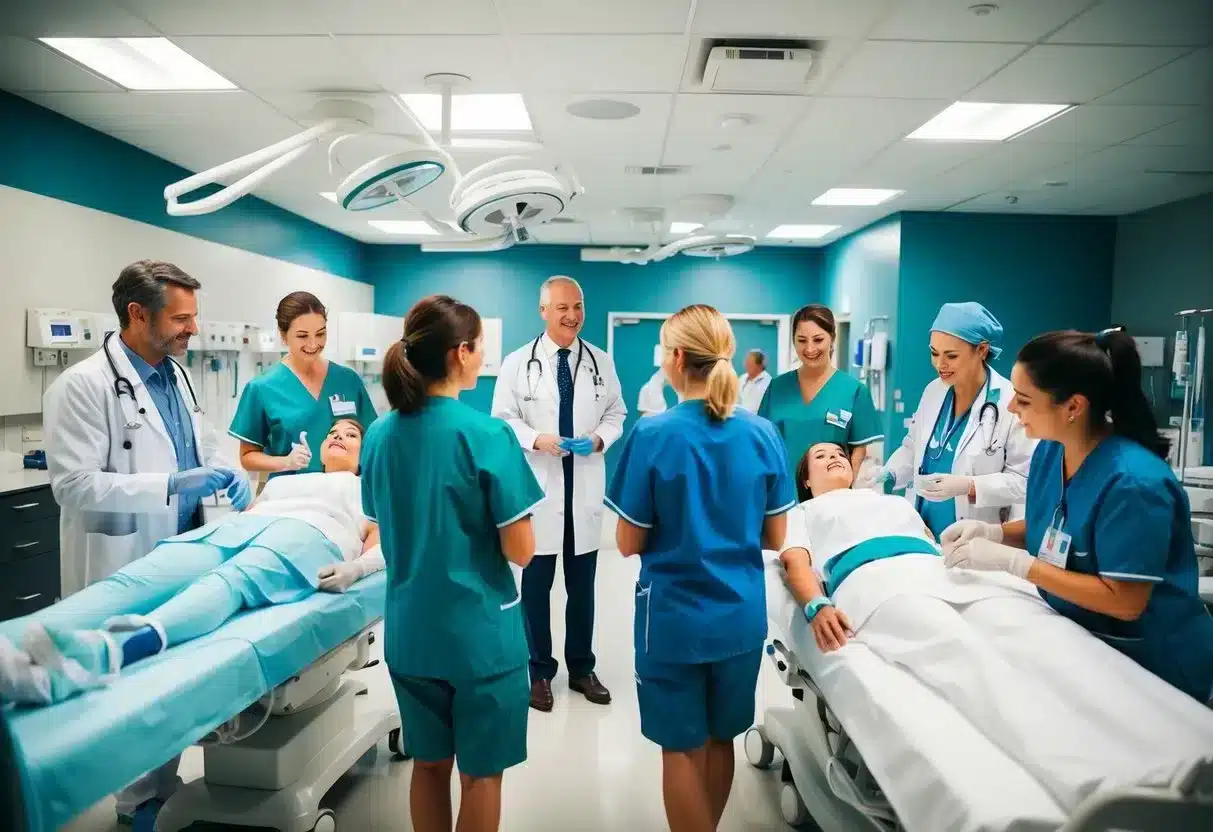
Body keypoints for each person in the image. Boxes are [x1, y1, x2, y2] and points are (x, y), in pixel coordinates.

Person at [777, 442, 1213, 813]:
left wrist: (977, 544)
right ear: (807, 481)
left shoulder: (892, 502)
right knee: (969, 658)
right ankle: (1089, 778)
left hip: (948, 571)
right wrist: (816, 604)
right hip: (881, 585)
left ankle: (1178, 748)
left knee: (1045, 640)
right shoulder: (806, 511)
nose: (834, 456)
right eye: (821, 456)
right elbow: (796, 563)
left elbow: (932, 541)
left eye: (838, 452)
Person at [40, 260, 251, 826]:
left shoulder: (177, 376)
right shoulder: (81, 386)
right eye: (181, 319)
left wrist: (229, 472)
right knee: (129, 689)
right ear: (137, 314)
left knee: (167, 683)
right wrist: (169, 485)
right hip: (124, 560)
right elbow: (73, 485)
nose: (193, 330)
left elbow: (203, 443)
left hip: (185, 551)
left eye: (194, 318)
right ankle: (136, 804)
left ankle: (162, 788)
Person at [0, 420, 380, 707]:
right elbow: (249, 510)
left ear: (366, 455)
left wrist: (357, 570)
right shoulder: (282, 481)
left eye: (350, 435)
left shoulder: (369, 489)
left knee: (228, 582)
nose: (337, 436)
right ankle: (14, 640)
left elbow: (379, 546)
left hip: (309, 537)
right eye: (332, 431)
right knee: (145, 575)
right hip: (243, 526)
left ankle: (102, 654)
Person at [941, 328, 1213, 702]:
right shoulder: (1052, 452)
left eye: (1023, 399)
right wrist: (995, 533)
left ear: (1073, 407)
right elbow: (1055, 527)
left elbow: (1125, 601)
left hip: (1154, 663)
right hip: (1088, 647)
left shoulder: (1133, 484)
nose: (1010, 409)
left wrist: (1017, 564)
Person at [606, 305, 796, 832]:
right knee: (720, 741)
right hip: (739, 615)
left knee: (680, 750)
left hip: (673, 620)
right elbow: (776, 537)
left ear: (677, 358)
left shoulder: (653, 434)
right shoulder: (762, 434)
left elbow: (627, 541)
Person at [362, 295, 543, 832]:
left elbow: (379, 520)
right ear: (461, 353)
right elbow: (522, 550)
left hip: (412, 635)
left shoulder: (379, 434)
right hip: (480, 639)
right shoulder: (487, 434)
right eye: (481, 346)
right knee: (481, 775)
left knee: (429, 765)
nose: (484, 356)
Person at [490, 276, 626, 712]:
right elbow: (502, 419)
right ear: (543, 310)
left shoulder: (600, 361)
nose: (572, 315)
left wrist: (601, 439)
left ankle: (582, 669)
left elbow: (616, 412)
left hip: (583, 489)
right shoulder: (516, 363)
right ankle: (539, 673)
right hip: (540, 490)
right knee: (536, 589)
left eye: (579, 306)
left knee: (583, 589)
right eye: (563, 307)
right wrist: (536, 439)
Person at [869, 302, 1036, 539]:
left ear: (982, 350)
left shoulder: (1009, 402)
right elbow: (911, 447)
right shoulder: (933, 392)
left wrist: (969, 486)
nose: (940, 365)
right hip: (921, 530)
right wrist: (891, 474)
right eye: (934, 353)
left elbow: (1023, 481)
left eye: (951, 356)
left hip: (972, 537)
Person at [230, 291, 376, 479]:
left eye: (320, 334)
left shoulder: (348, 380)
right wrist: (285, 462)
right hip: (292, 498)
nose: (313, 343)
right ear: (283, 336)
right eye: (302, 336)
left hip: (344, 495)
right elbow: (247, 457)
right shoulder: (262, 388)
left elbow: (372, 442)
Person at [758, 304, 882, 484]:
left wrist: (844, 491)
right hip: (781, 497)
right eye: (801, 340)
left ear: (832, 338)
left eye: (818, 340)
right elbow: (763, 445)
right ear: (793, 340)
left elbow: (858, 451)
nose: (809, 349)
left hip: (831, 500)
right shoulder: (777, 387)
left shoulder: (854, 391)